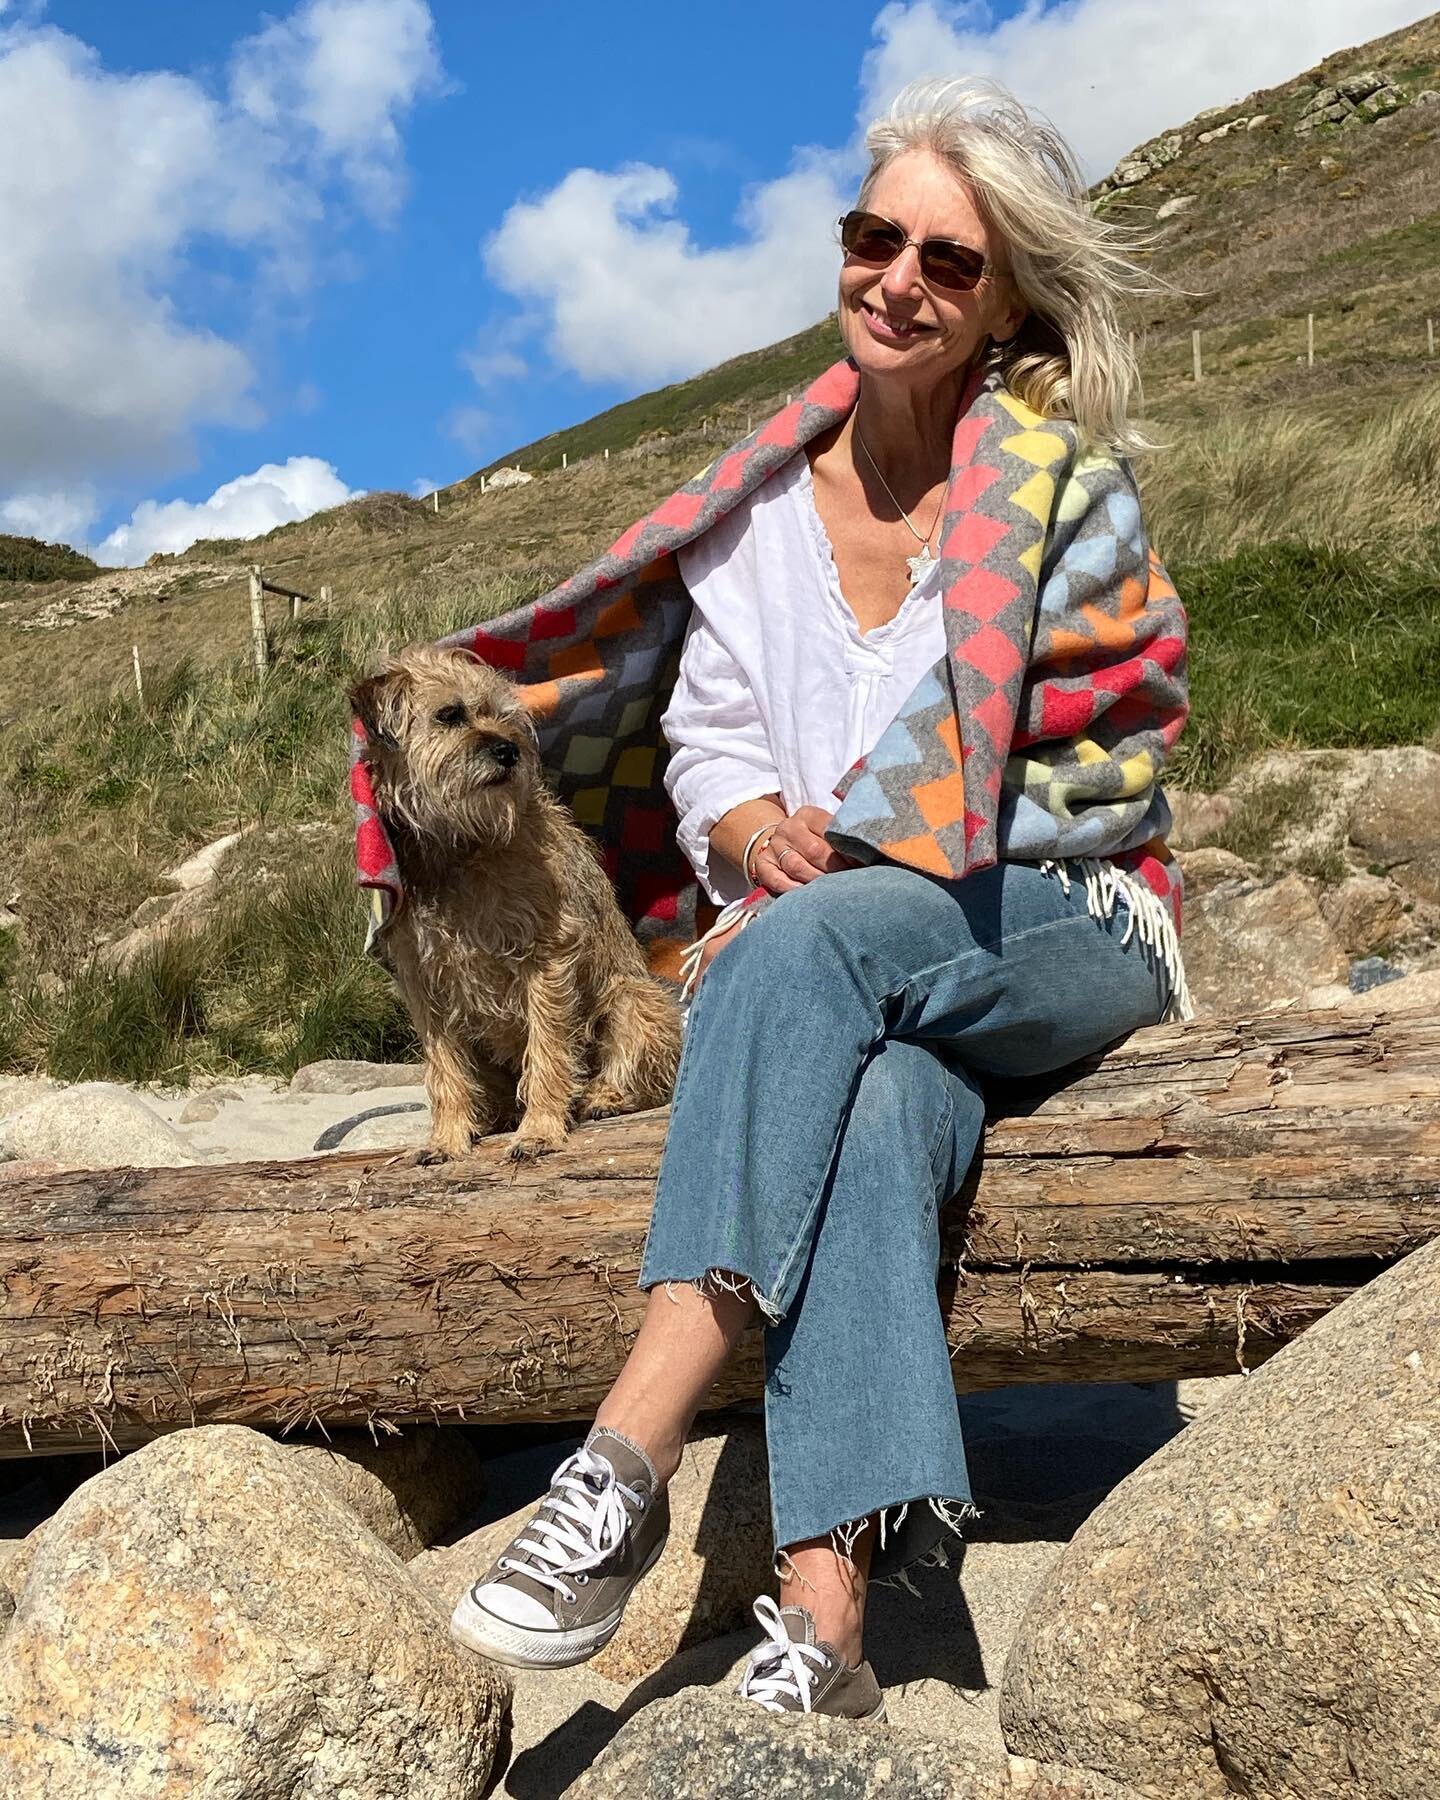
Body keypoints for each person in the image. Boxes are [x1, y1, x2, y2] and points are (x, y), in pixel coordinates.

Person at [446, 75, 1188, 1719]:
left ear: (1005, 303)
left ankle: (621, 1462)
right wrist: (756, 819)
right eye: (875, 238)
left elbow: (1084, 760)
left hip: (1060, 913)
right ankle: (828, 1622)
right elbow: (707, 739)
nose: (899, 279)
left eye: (949, 257)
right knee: (879, 1110)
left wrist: (824, 866)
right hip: (869, 964)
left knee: (809, 946)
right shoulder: (757, 507)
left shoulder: (1062, 490)